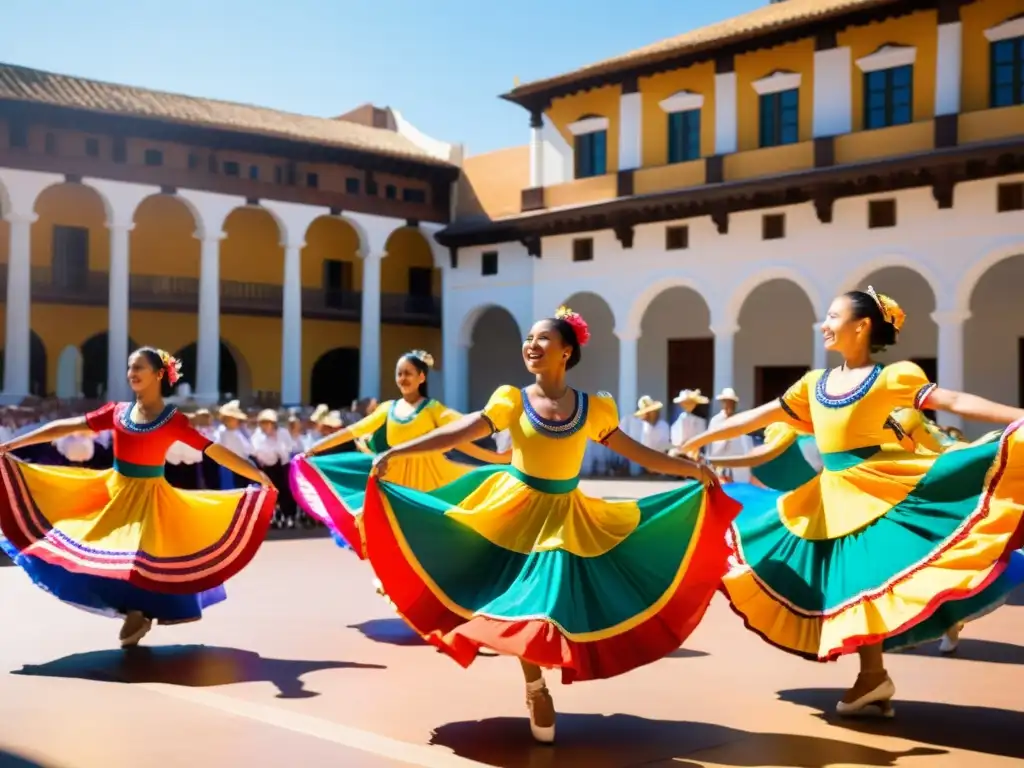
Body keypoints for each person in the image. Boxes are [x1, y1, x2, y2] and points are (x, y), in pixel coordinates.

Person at [363, 307, 733, 744]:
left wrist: (688, 471)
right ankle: (536, 688)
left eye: (542, 339)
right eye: (528, 339)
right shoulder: (510, 399)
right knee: (529, 603)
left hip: (566, 516)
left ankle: (540, 681)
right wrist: (398, 451)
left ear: (566, 352)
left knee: (549, 600)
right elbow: (461, 432)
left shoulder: (593, 408)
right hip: (513, 512)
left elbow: (637, 451)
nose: (531, 345)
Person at [679, 287, 1024, 718]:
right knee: (849, 581)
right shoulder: (813, 385)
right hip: (833, 494)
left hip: (881, 487)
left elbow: (953, 400)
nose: (824, 324)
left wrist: (1018, 414)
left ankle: (874, 675)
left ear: (861, 326)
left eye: (832, 315)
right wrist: (701, 439)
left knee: (872, 578)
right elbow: (762, 415)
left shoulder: (893, 377)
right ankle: (873, 676)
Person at [0, 348, 277, 648]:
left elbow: (213, 450)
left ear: (159, 374)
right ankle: (133, 613)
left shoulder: (172, 420)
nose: (132, 373)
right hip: (113, 493)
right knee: (102, 551)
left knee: (140, 560)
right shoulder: (117, 411)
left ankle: (138, 613)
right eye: (130, 367)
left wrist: (255, 473)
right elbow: (68, 425)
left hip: (151, 499)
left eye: (139, 368)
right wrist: (15, 443)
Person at [290, 350, 510, 554]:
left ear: (421, 377)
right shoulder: (388, 409)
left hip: (430, 478)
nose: (403, 378)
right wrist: (316, 448)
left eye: (409, 373)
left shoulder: (433, 408)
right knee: (394, 533)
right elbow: (354, 430)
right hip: (393, 478)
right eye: (399, 373)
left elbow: (463, 433)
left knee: (429, 533)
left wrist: (496, 459)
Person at [706, 388, 754, 483]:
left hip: (737, 463)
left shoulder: (740, 420)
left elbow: (746, 442)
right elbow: (710, 443)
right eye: (726, 402)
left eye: (732, 402)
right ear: (722, 403)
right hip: (721, 461)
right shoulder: (716, 421)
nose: (729, 405)